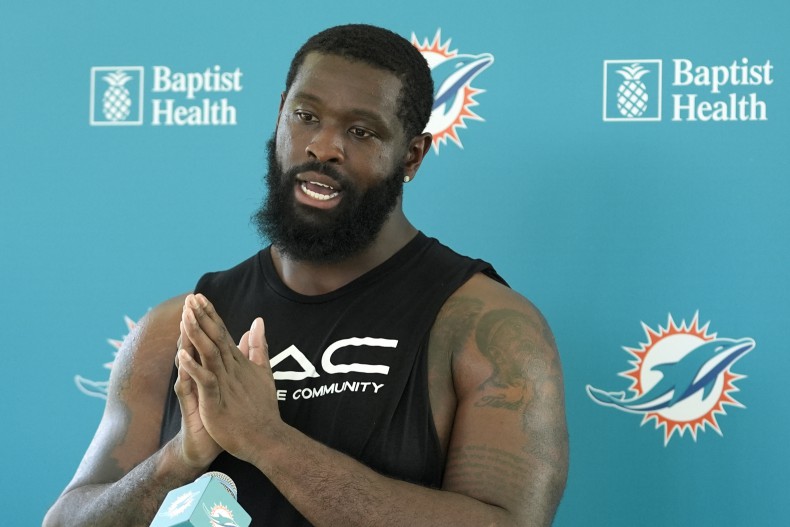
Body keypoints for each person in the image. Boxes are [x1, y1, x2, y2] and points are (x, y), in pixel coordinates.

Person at [44, 24, 568, 527]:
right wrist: (180, 456)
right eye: (306, 115)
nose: (323, 146)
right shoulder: (176, 329)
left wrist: (267, 441)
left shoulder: (486, 326)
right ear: (279, 117)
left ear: (412, 155)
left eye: (360, 131)